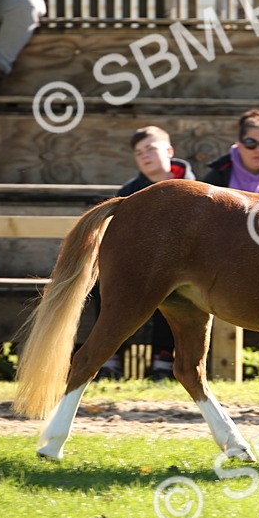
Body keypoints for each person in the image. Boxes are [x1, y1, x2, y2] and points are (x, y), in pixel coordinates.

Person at [98, 126, 196, 379]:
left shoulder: (196, 189)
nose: (145, 155)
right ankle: (109, 358)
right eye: (139, 152)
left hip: (188, 268)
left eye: (151, 148)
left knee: (174, 287)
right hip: (137, 268)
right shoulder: (128, 193)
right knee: (104, 282)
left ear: (169, 151)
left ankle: (165, 360)